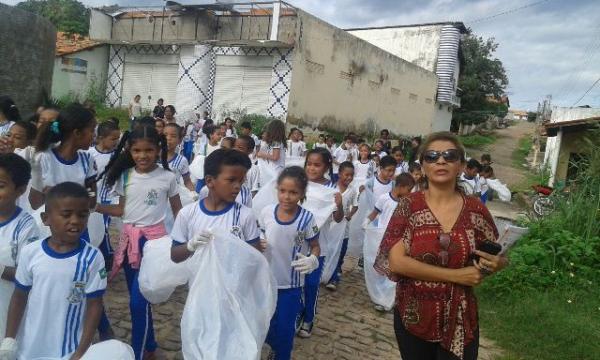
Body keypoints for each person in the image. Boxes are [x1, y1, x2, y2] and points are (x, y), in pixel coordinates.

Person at [375, 131, 507, 360]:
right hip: (413, 316)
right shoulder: (409, 206)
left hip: (460, 318)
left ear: (461, 165)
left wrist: (496, 263)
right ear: (423, 166)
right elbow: (397, 262)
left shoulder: (476, 209)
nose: (441, 160)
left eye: (450, 155)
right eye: (432, 156)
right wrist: (457, 276)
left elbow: (496, 253)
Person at [96, 125, 182, 360]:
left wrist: (184, 243)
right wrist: (93, 206)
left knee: (136, 303)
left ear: (158, 149)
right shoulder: (126, 176)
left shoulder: (168, 177)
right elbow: (121, 209)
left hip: (154, 246)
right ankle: (150, 344)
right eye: (136, 150)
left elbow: (179, 213)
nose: (142, 155)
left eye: (148, 150)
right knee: (140, 302)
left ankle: (139, 353)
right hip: (129, 245)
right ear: (129, 150)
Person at [0, 182, 106, 360]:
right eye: (66, 214)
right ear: (45, 218)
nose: (75, 220)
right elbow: (19, 296)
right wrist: (9, 339)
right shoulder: (31, 252)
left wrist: (81, 352)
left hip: (67, 351)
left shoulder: (92, 257)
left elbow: (95, 306)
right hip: (30, 347)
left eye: (82, 215)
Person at [259, 166, 321, 360]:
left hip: (291, 285)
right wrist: (258, 242)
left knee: (286, 329)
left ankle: (281, 355)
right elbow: (260, 233)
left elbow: (315, 245)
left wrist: (313, 259)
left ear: (302, 194)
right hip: (266, 282)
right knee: (266, 324)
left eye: (293, 192)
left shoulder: (307, 218)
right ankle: (272, 349)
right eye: (283, 191)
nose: (286, 197)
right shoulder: (267, 212)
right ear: (277, 189)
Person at [170, 149, 261, 264]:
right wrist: (190, 245)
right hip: (198, 280)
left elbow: (256, 258)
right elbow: (174, 256)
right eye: (231, 180)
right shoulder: (187, 213)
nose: (238, 186)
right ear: (209, 181)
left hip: (234, 281)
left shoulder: (245, 215)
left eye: (241, 181)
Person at [297, 148, 344, 338]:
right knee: (295, 284)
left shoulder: (332, 191)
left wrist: (339, 204)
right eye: (309, 163)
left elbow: (338, 218)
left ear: (326, 167)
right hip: (295, 243)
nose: (312, 168)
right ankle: (296, 315)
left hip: (318, 247)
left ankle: (308, 319)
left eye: (317, 165)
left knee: (311, 284)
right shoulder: (299, 184)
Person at [0, 154, 40, 341]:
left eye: (1, 186)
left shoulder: (26, 226)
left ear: (20, 190)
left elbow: (29, 274)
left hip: (6, 308)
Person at [32, 104, 97, 216]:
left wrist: (54, 194)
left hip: (77, 227)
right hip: (48, 227)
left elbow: (92, 201)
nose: (94, 135)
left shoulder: (88, 159)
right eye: (92, 130)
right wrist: (79, 194)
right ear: (77, 133)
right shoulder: (43, 158)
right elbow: (35, 202)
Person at [363, 173, 414, 311]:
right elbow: (375, 212)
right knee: (380, 265)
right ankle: (379, 294)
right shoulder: (384, 198)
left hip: (397, 240)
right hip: (381, 236)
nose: (410, 193)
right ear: (401, 187)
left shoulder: (407, 203)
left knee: (393, 267)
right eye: (408, 190)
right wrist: (367, 222)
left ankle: (387, 300)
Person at [87, 121, 121, 265]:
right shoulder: (89, 154)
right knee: (96, 229)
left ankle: (107, 257)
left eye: (118, 138)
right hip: (95, 198)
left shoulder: (118, 156)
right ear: (100, 137)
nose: (116, 142)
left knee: (104, 228)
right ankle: (104, 256)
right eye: (113, 139)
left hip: (110, 199)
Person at [325, 161, 358, 290]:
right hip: (330, 227)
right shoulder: (331, 188)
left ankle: (334, 278)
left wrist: (349, 214)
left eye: (351, 175)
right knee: (329, 250)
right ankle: (326, 273)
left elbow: (355, 206)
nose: (349, 178)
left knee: (340, 252)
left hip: (343, 229)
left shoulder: (352, 191)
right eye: (346, 175)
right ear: (339, 174)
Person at [164, 123, 195, 193]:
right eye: (165, 135)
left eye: (173, 136)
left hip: (173, 198)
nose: (168, 138)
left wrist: (193, 194)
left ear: (180, 140)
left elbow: (187, 181)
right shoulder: (153, 158)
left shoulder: (182, 161)